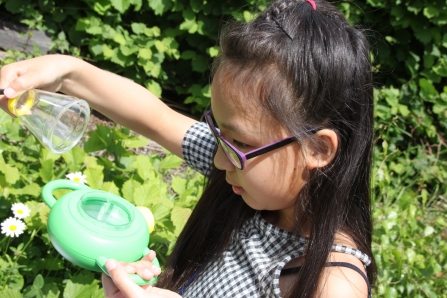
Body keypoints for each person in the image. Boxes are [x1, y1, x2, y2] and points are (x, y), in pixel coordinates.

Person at [0, 0, 377, 296]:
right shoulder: (248, 176)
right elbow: (155, 117)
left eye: (240, 142)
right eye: (218, 133)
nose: (217, 159)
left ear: (317, 149)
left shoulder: (331, 283)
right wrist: (66, 72)